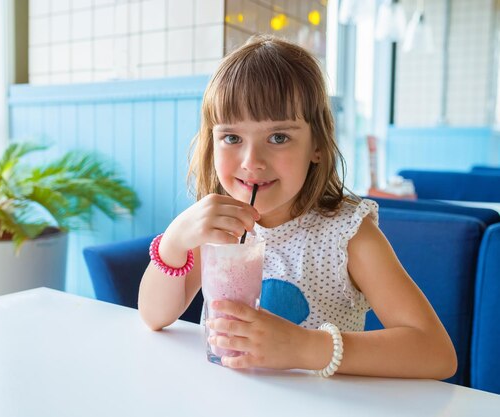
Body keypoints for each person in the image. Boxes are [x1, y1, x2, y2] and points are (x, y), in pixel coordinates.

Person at [138, 35, 456, 379]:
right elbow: (154, 316)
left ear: (316, 146)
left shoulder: (347, 235)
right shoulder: (220, 227)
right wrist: (173, 243)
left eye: (278, 137)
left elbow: (436, 352)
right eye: (232, 138)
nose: (252, 161)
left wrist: (305, 347)